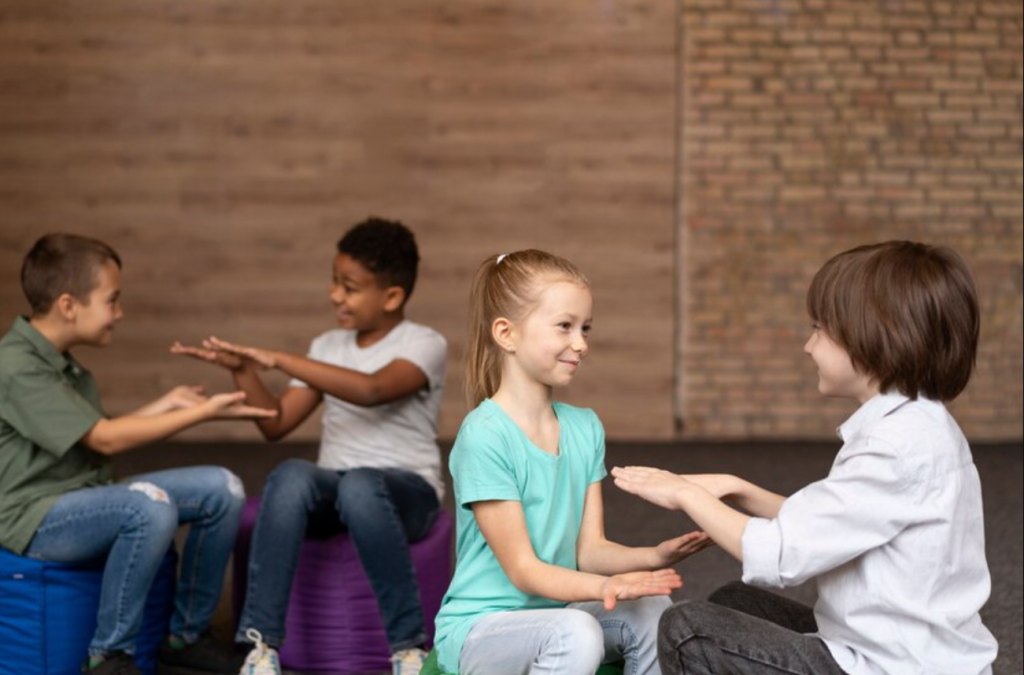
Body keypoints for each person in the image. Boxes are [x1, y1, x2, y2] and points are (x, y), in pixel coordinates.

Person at [613, 241, 999, 675]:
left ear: (873, 334)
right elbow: (825, 526)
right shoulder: (919, 426)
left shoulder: (895, 447)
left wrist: (685, 494)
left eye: (819, 329)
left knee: (688, 630)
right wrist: (737, 488)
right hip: (902, 650)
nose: (808, 345)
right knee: (734, 603)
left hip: (892, 667)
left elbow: (782, 555)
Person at [173, 217, 447, 675]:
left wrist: (279, 357)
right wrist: (245, 370)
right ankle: (262, 648)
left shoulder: (424, 343)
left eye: (350, 286)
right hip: (337, 491)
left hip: (406, 492)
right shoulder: (326, 345)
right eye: (335, 281)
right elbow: (276, 424)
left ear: (392, 296)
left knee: (361, 484)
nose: (335, 295)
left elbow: (373, 389)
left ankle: (407, 648)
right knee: (291, 472)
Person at [0, 233, 275, 675]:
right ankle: (109, 655)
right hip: (36, 518)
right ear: (69, 305)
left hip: (82, 496)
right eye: (112, 301)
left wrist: (164, 404)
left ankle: (185, 635)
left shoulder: (62, 364)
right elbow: (105, 439)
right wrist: (201, 413)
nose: (119, 314)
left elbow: (88, 434)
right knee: (149, 507)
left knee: (222, 487)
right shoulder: (15, 366)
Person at [432, 250, 712, 675]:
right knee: (575, 631)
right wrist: (607, 586)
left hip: (558, 611)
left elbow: (589, 550)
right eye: (564, 326)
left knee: (654, 609)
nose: (580, 344)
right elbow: (524, 571)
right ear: (506, 334)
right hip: (481, 629)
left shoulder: (584, 427)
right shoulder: (484, 435)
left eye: (585, 329)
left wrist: (652, 556)